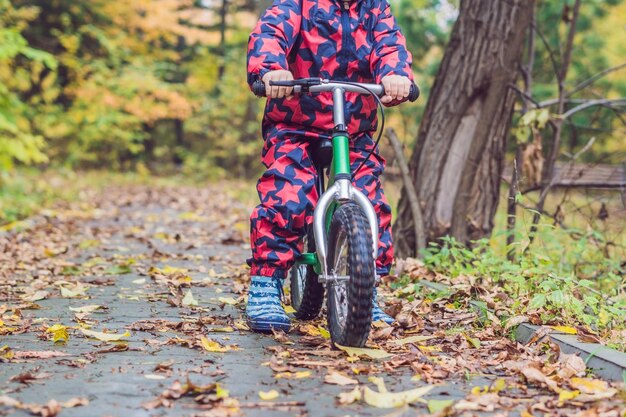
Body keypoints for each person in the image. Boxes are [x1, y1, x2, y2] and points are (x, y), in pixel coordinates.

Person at [245, 0, 414, 332]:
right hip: (295, 122)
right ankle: (266, 283)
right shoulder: (299, 4)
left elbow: (389, 44)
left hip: (355, 127)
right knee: (289, 194)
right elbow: (271, 32)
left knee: (371, 200)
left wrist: (395, 75)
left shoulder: (375, 8)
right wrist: (271, 69)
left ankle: (366, 290)